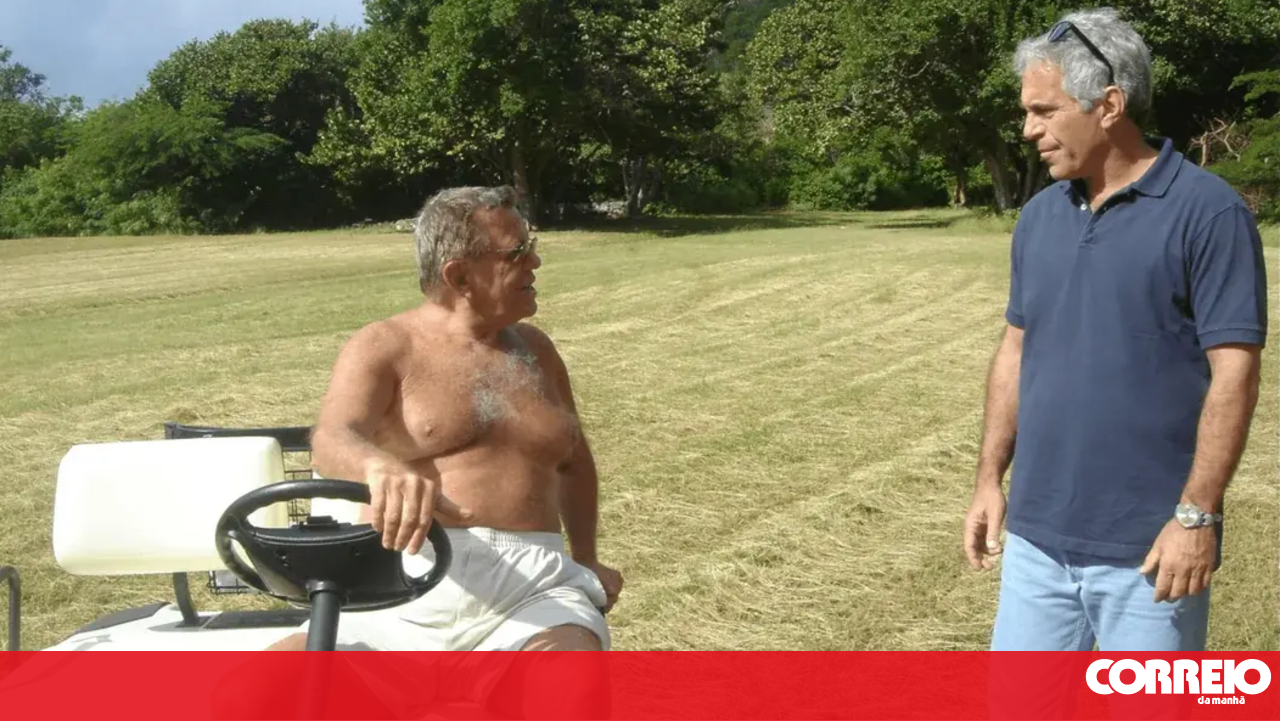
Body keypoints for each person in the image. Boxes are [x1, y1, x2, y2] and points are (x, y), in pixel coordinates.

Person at [244, 185, 623, 718]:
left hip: (531, 589)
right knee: (252, 695)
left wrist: (586, 559)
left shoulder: (538, 350)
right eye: (517, 252)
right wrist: (378, 466)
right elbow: (331, 437)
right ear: (459, 276)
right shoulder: (385, 345)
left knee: (569, 694)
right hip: (400, 585)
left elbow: (574, 461)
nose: (535, 261)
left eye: (531, 245)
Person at [964, 5, 1268, 662]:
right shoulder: (1040, 217)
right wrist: (990, 478)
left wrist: (1196, 516)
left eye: (1044, 111)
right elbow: (1016, 350)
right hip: (1036, 543)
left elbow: (1235, 374)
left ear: (1108, 106)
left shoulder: (1208, 213)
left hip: (1150, 551)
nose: (1028, 129)